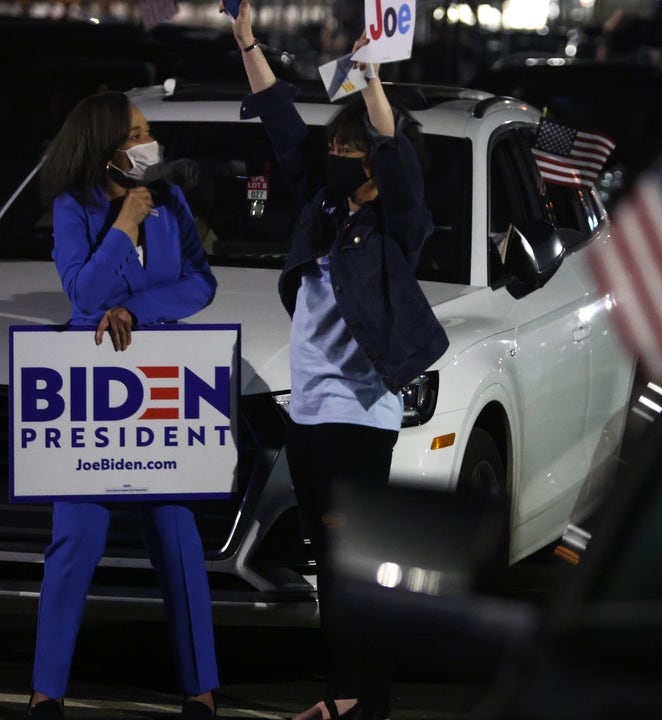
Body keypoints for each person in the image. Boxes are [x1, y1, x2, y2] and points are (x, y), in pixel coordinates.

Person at [225, 2, 448, 719]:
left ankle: (361, 701)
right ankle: (346, 698)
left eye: (351, 152)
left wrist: (371, 79)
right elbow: (281, 123)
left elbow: (395, 155)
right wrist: (247, 42)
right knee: (332, 570)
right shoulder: (322, 212)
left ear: (375, 168)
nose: (337, 158)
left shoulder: (398, 226)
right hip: (310, 414)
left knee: (355, 570)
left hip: (360, 416)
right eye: (338, 149)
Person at [28, 91, 220, 719]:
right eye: (135, 134)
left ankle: (201, 692)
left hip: (160, 382)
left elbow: (201, 280)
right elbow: (82, 293)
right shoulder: (74, 206)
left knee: (177, 536)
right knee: (75, 540)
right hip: (90, 389)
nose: (147, 143)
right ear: (104, 145)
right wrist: (124, 225)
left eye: (147, 131)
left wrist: (137, 309)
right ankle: (45, 693)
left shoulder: (171, 199)